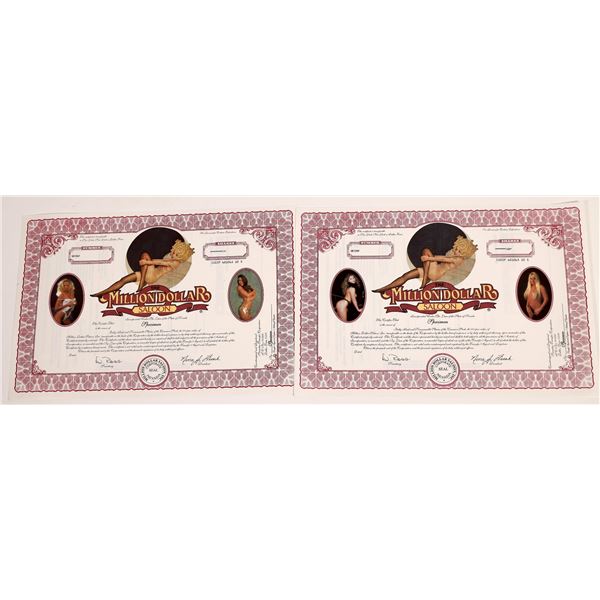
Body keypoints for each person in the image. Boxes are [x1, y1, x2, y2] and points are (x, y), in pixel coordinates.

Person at [373, 235, 478, 294]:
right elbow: (441, 257)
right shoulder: (456, 255)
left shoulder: (459, 259)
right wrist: (430, 258)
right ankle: (384, 289)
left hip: (435, 273)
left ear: (465, 253)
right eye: (456, 248)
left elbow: (444, 258)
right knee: (406, 276)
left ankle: (424, 280)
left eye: (459, 251)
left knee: (426, 250)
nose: (456, 251)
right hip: (433, 270)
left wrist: (429, 258)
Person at [91, 239, 194, 297]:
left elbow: (161, 262)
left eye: (177, 254)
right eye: (174, 252)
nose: (173, 254)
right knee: (123, 280)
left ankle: (141, 284)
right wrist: (147, 263)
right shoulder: (172, 258)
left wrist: (147, 262)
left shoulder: (176, 262)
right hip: (149, 274)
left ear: (182, 257)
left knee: (145, 255)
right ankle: (102, 293)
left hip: (152, 277)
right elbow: (159, 261)